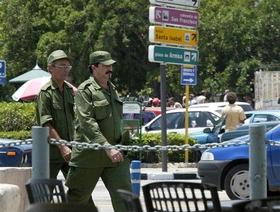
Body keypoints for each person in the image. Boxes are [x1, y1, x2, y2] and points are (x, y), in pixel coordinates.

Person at [65, 50, 131, 212]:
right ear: (94, 67)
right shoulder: (85, 91)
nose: (110, 69)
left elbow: (119, 119)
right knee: (76, 201)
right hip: (89, 157)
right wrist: (107, 147)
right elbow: (86, 122)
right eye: (106, 66)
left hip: (116, 156)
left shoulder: (113, 89)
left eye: (111, 66)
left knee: (126, 200)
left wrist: (126, 140)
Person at [36, 50, 74, 179]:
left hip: (71, 151)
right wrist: (62, 147)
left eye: (68, 66)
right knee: (45, 192)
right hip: (51, 153)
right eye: (62, 66)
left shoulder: (70, 91)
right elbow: (46, 123)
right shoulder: (45, 93)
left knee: (79, 189)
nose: (66, 70)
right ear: (50, 68)